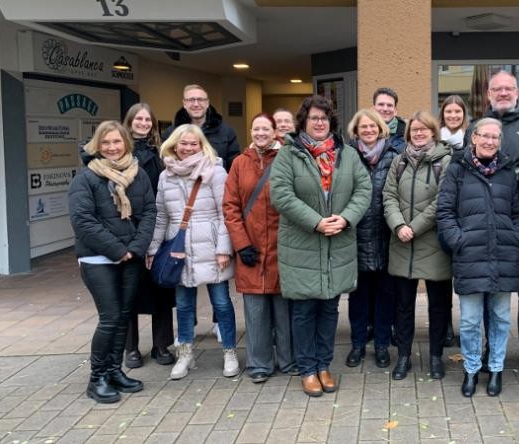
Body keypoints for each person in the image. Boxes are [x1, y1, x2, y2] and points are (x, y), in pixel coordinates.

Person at [270, 95, 371, 397]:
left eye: (324, 118)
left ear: (331, 122)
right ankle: (307, 369)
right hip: (302, 245)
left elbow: (363, 190)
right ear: (304, 121)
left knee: (329, 309)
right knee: (303, 311)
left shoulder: (347, 154)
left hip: (337, 244)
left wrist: (346, 218)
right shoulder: (289, 154)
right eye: (314, 118)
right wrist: (316, 221)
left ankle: (324, 364)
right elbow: (281, 195)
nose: (319, 123)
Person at [437, 118, 519, 397]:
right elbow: (444, 212)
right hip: (470, 255)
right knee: (470, 321)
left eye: (495, 137)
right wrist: (458, 241)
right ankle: (472, 370)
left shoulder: (507, 171)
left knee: (500, 317)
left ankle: (496, 368)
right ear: (473, 137)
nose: (490, 141)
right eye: (485, 136)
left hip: (503, 254)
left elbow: (518, 213)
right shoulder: (457, 170)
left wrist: (518, 239)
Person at [68, 121, 156, 403]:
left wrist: (136, 248)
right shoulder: (86, 178)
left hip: (130, 255)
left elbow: (150, 212)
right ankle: (97, 378)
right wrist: (118, 250)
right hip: (98, 258)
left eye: (117, 142)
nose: (112, 148)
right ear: (97, 145)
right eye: (105, 143)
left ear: (126, 144)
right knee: (109, 317)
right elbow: (83, 221)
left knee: (123, 316)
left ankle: (114, 371)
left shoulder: (137, 174)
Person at [464, 70, 519, 373]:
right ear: (488, 94)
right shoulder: (476, 127)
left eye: (507, 88)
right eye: (496, 89)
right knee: (488, 287)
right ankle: (489, 348)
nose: (502, 93)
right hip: (487, 226)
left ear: (517, 92)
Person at [147, 124, 238, 381]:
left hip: (210, 245)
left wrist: (224, 249)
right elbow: (162, 215)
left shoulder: (215, 171)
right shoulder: (166, 176)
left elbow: (225, 213)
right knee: (184, 305)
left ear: (202, 145)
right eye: (183, 143)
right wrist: (153, 247)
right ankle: (185, 353)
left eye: (193, 143)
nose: (188, 148)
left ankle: (229, 351)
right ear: (174, 145)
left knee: (221, 302)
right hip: (179, 248)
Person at [223, 112, 297, 383]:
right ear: (251, 131)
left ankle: (288, 360)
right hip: (251, 249)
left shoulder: (288, 158)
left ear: (275, 131)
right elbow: (230, 207)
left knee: (283, 311)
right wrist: (241, 244)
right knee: (255, 312)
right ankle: (259, 364)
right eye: (256, 129)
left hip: (282, 247)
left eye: (266, 128)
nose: (261, 133)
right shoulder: (239, 163)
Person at [382, 111, 452, 381]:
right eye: (414, 129)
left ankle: (435, 357)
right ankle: (403, 356)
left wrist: (415, 227)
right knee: (403, 306)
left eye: (424, 129)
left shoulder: (445, 161)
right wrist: (399, 225)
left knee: (438, 305)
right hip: (402, 242)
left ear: (433, 132)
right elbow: (388, 196)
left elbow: (443, 200)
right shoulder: (398, 162)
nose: (419, 133)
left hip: (433, 243)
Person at [344, 109, 403, 369]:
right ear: (355, 131)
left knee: (385, 295)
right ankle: (357, 344)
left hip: (386, 237)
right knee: (358, 297)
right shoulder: (346, 157)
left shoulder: (394, 156)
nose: (368, 130)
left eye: (372, 126)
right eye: (363, 127)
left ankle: (381, 345)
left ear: (380, 128)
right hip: (355, 236)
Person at [120, 103, 176, 369]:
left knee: (161, 288)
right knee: (129, 289)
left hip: (158, 226)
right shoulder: (120, 152)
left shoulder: (162, 152)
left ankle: (161, 345)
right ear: (129, 121)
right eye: (138, 119)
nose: (143, 123)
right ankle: (131, 348)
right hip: (128, 228)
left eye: (147, 119)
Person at [438, 95, 470, 348]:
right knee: (442, 277)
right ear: (443, 115)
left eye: (457, 112)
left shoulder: (471, 141)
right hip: (440, 214)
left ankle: (464, 326)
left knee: (462, 274)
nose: (453, 116)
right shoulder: (434, 140)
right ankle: (445, 326)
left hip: (464, 216)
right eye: (449, 112)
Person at [162, 84, 241, 171]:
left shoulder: (226, 132)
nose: (196, 104)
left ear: (207, 103)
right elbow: (165, 164)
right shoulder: (171, 133)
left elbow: (235, 168)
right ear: (184, 103)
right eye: (191, 100)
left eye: (200, 99)